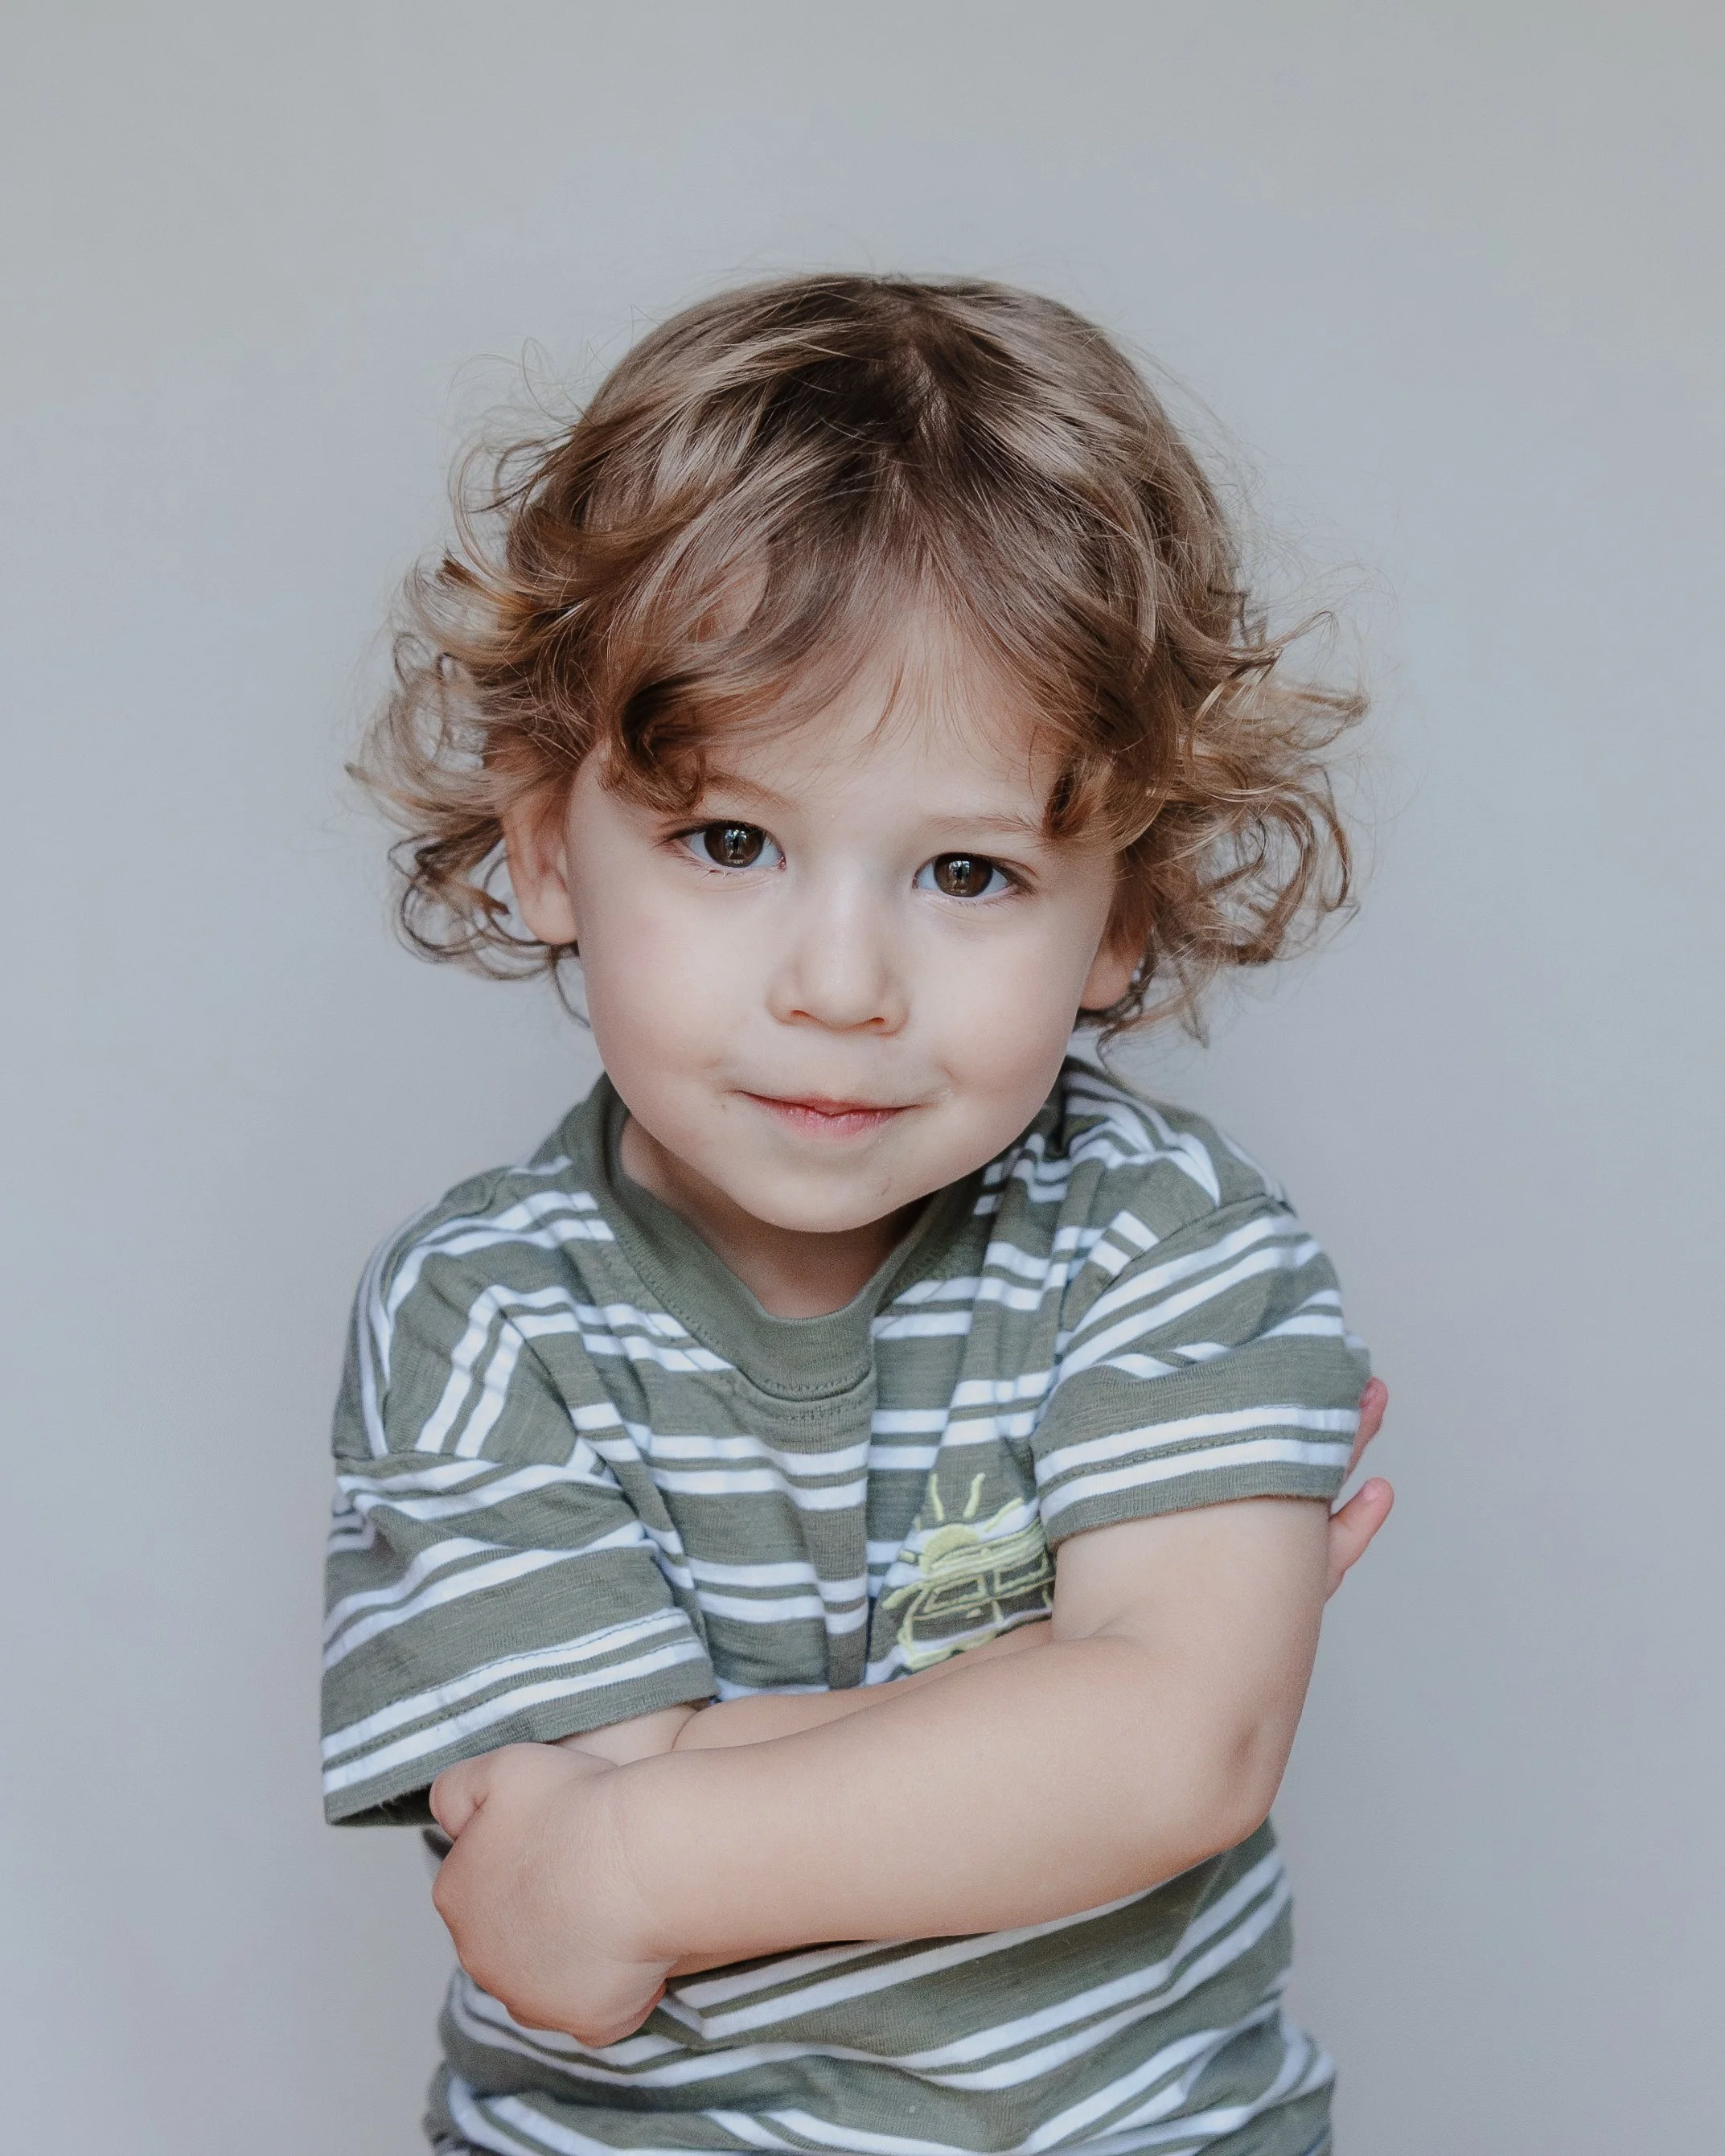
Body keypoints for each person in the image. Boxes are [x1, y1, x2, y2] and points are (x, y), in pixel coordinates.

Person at [323, 274, 1395, 2156]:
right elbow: (544, 1916)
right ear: (537, 839)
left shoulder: (1167, 1241)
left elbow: (1178, 1751)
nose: (841, 980)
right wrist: (1058, 1697)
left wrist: (646, 1832)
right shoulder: (480, 1311)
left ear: (1119, 915)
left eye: (967, 870)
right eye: (729, 838)